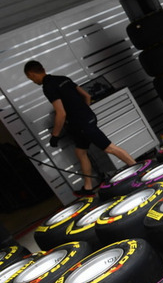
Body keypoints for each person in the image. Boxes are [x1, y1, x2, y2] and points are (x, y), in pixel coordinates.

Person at [23, 60, 136, 197]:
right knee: (80, 152)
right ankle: (88, 188)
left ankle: (139, 169)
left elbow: (61, 113)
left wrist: (55, 136)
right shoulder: (62, 78)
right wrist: (83, 111)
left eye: (30, 78)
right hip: (87, 117)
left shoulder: (48, 87)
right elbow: (87, 96)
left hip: (82, 123)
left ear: (32, 74)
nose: (33, 81)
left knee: (109, 147)